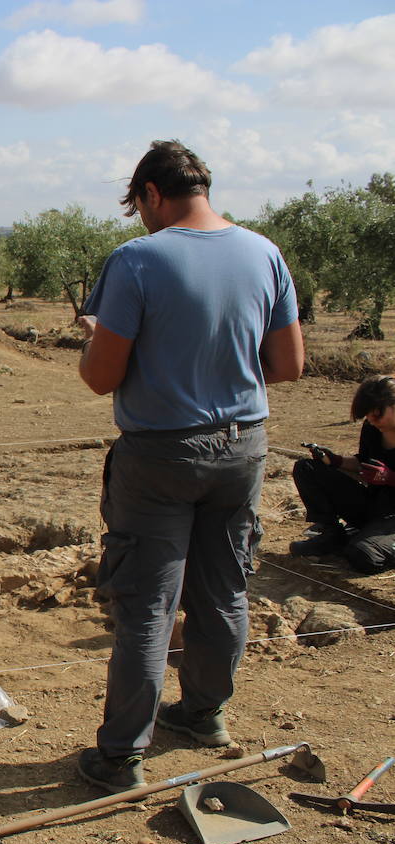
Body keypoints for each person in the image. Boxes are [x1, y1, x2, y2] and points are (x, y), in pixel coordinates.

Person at [74, 140, 305, 791]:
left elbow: (102, 379)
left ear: (151, 194)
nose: (139, 219)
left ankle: (121, 755)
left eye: (138, 206)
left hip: (160, 456)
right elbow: (288, 366)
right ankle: (204, 714)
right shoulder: (264, 254)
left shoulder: (138, 260)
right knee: (224, 588)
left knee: (147, 605)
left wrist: (95, 341)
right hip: (243, 449)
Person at [289, 375, 395, 572]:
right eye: (367, 415)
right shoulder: (372, 429)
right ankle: (332, 535)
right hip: (375, 505)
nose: (371, 420)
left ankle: (374, 541)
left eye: (377, 414)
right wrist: (334, 460)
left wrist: (390, 478)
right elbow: (363, 463)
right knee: (307, 468)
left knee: (363, 555)